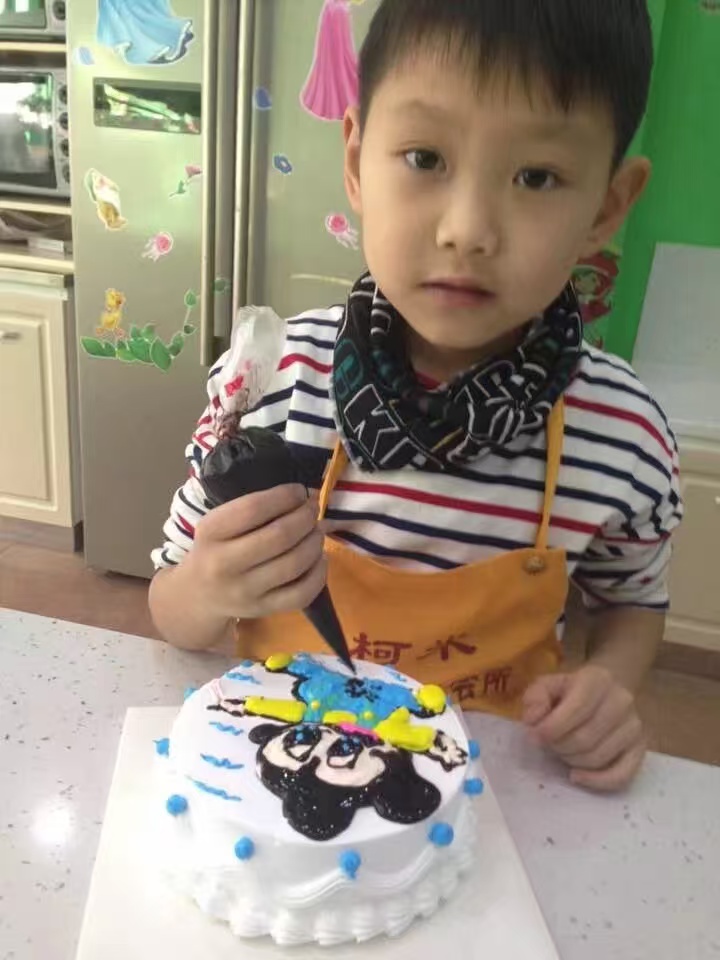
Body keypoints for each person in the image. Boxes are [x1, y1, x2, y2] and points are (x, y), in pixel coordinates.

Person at [150, 0, 683, 793]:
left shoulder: (622, 434)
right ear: (357, 161)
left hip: (485, 806)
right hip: (278, 790)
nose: (468, 229)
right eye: (426, 158)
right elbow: (170, 605)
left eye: (536, 176)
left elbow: (633, 603)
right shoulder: (274, 380)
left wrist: (609, 683)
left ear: (605, 207)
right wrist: (205, 587)